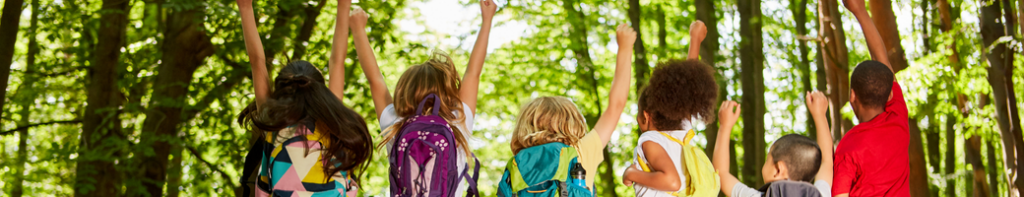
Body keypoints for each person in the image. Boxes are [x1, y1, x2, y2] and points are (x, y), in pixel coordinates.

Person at [348, 0, 496, 195]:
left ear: (404, 91)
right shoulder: (457, 121)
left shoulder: (395, 124)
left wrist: (358, 29)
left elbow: (374, 79)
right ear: (447, 91)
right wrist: (487, 20)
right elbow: (473, 74)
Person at [236, 0, 374, 196]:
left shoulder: (272, 121)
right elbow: (337, 63)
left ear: (281, 91)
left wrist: (245, 7)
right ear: (320, 91)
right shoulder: (331, 123)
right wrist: (343, 6)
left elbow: (257, 62)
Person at [496, 23, 633, 195]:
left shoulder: (519, 164)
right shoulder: (581, 152)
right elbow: (616, 106)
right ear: (573, 124)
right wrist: (625, 48)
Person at [622, 21, 720, 197]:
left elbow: (672, 182)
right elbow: (688, 88)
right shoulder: (681, 134)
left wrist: (631, 174)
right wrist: (695, 39)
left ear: (646, 116)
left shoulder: (650, 139)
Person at [832, 0, 909, 196]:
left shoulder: (848, 146)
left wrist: (858, 10)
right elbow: (882, 59)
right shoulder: (898, 120)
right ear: (890, 94)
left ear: (852, 96)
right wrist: (860, 10)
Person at [712, 92, 835, 197]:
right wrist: (820, 115)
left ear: (778, 169)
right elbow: (826, 161)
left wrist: (725, 126)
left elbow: (721, 173)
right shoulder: (820, 194)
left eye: (768, 159)